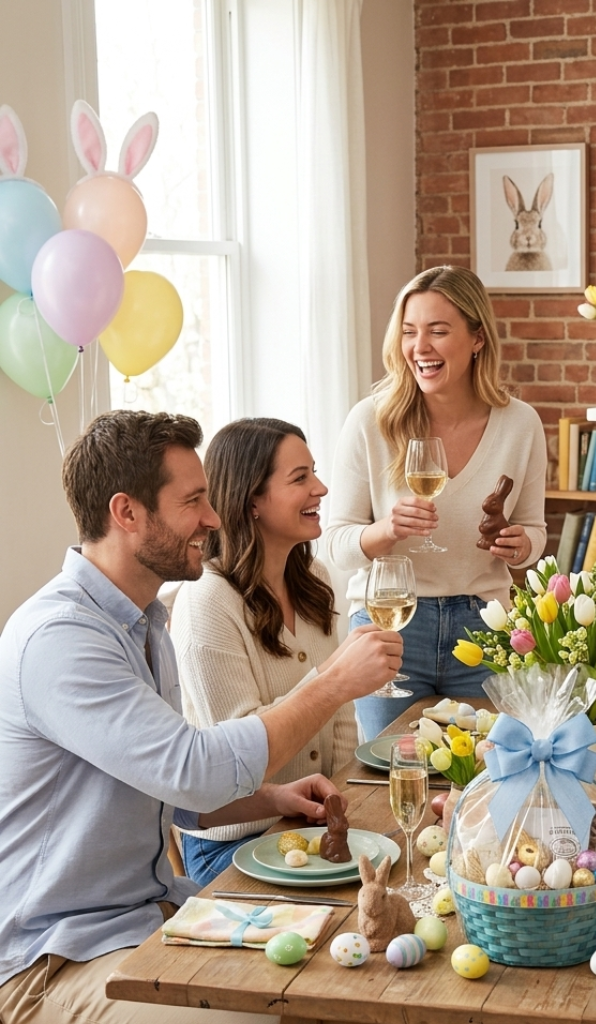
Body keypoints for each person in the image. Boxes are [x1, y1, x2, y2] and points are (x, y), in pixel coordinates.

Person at [0, 410, 402, 1024]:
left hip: (154, 916)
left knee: (353, 975)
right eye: (193, 502)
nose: (214, 519)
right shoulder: (63, 638)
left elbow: (165, 791)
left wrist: (271, 798)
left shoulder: (142, 621)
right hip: (57, 959)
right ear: (126, 513)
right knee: (282, 1011)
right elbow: (192, 771)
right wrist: (331, 683)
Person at [325, 265, 547, 740]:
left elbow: (535, 531)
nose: (419, 347)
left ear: (477, 338)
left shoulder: (520, 424)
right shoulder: (371, 421)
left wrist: (520, 545)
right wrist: (387, 530)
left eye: (438, 331)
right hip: (391, 624)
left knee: (489, 773)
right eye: (409, 332)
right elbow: (335, 544)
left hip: (485, 625)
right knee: (392, 773)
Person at [171, 418, 366, 886]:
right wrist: (331, 680)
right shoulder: (207, 603)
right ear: (251, 500)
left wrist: (344, 810)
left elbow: (340, 721)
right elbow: (241, 760)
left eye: (314, 472)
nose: (320, 488)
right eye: (300, 478)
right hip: (235, 842)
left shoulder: (313, 580)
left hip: (310, 825)